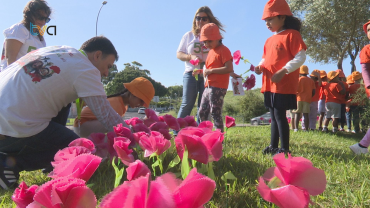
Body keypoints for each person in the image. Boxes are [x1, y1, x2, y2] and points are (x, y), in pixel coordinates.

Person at [0, 36, 129, 189]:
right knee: (79, 154)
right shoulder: (86, 69)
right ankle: (6, 165)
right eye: (108, 65)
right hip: (12, 128)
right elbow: (106, 115)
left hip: (7, 120)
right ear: (97, 55)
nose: (107, 73)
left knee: (65, 101)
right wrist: (134, 138)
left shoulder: (58, 50)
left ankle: (49, 163)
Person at [255, 0, 307, 154]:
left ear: (282, 17)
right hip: (269, 84)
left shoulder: (292, 34)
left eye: (270, 19)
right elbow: (265, 58)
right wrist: (260, 66)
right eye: (266, 21)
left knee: (280, 115)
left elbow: (300, 57)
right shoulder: (269, 40)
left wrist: (284, 70)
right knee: (273, 115)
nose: (267, 24)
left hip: (283, 84)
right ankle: (273, 146)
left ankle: (284, 148)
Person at [176, 6, 223, 124]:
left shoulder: (215, 37)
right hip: (190, 72)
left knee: (203, 105)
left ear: (209, 20)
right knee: (187, 103)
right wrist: (190, 57)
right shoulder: (189, 36)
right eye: (198, 18)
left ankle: (200, 132)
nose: (200, 21)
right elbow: (179, 54)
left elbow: (220, 54)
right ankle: (177, 131)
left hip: (208, 74)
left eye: (204, 18)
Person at [73, 77, 155, 138]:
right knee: (117, 129)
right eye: (141, 101)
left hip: (85, 125)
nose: (141, 104)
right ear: (134, 94)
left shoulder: (122, 103)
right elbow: (114, 125)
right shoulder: (116, 103)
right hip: (82, 126)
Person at [195, 23, 234, 132]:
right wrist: (201, 71)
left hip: (218, 87)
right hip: (208, 86)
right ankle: (206, 134)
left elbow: (229, 68)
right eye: (205, 42)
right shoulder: (211, 52)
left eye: (210, 41)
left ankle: (218, 138)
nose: (207, 44)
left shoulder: (224, 50)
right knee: (202, 112)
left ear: (218, 38)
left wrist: (210, 71)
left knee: (215, 112)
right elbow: (209, 69)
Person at [1, 0, 51, 71]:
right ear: (30, 15)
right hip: (12, 77)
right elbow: (10, 58)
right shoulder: (19, 29)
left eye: (46, 19)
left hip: (27, 78)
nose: (43, 22)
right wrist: (14, 79)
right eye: (40, 17)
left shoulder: (39, 37)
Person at [350, 20, 370, 155]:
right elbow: (365, 70)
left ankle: (362, 146)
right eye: (368, 30)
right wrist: (368, 85)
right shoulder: (367, 49)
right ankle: (362, 146)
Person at [292, 65, 315, 131]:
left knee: (297, 113)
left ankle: (296, 128)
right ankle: (306, 129)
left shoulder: (298, 80)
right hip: (307, 99)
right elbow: (313, 91)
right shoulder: (311, 81)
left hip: (298, 99)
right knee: (306, 114)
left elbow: (294, 89)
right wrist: (310, 96)